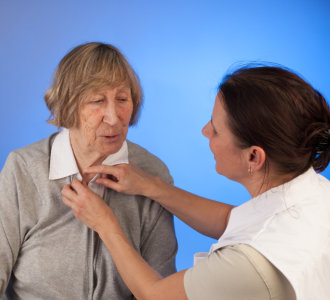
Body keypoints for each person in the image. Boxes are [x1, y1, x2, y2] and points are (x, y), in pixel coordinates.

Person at [62, 65, 330, 300]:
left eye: (216, 127)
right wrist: (152, 187)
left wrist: (105, 224)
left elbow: (155, 294)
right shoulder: (315, 194)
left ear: (253, 156)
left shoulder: (252, 264)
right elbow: (235, 221)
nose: (205, 131)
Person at [0, 42, 177, 299]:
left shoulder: (152, 173)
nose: (114, 117)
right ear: (68, 104)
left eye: (122, 99)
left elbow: (163, 286)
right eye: (97, 101)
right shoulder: (24, 168)